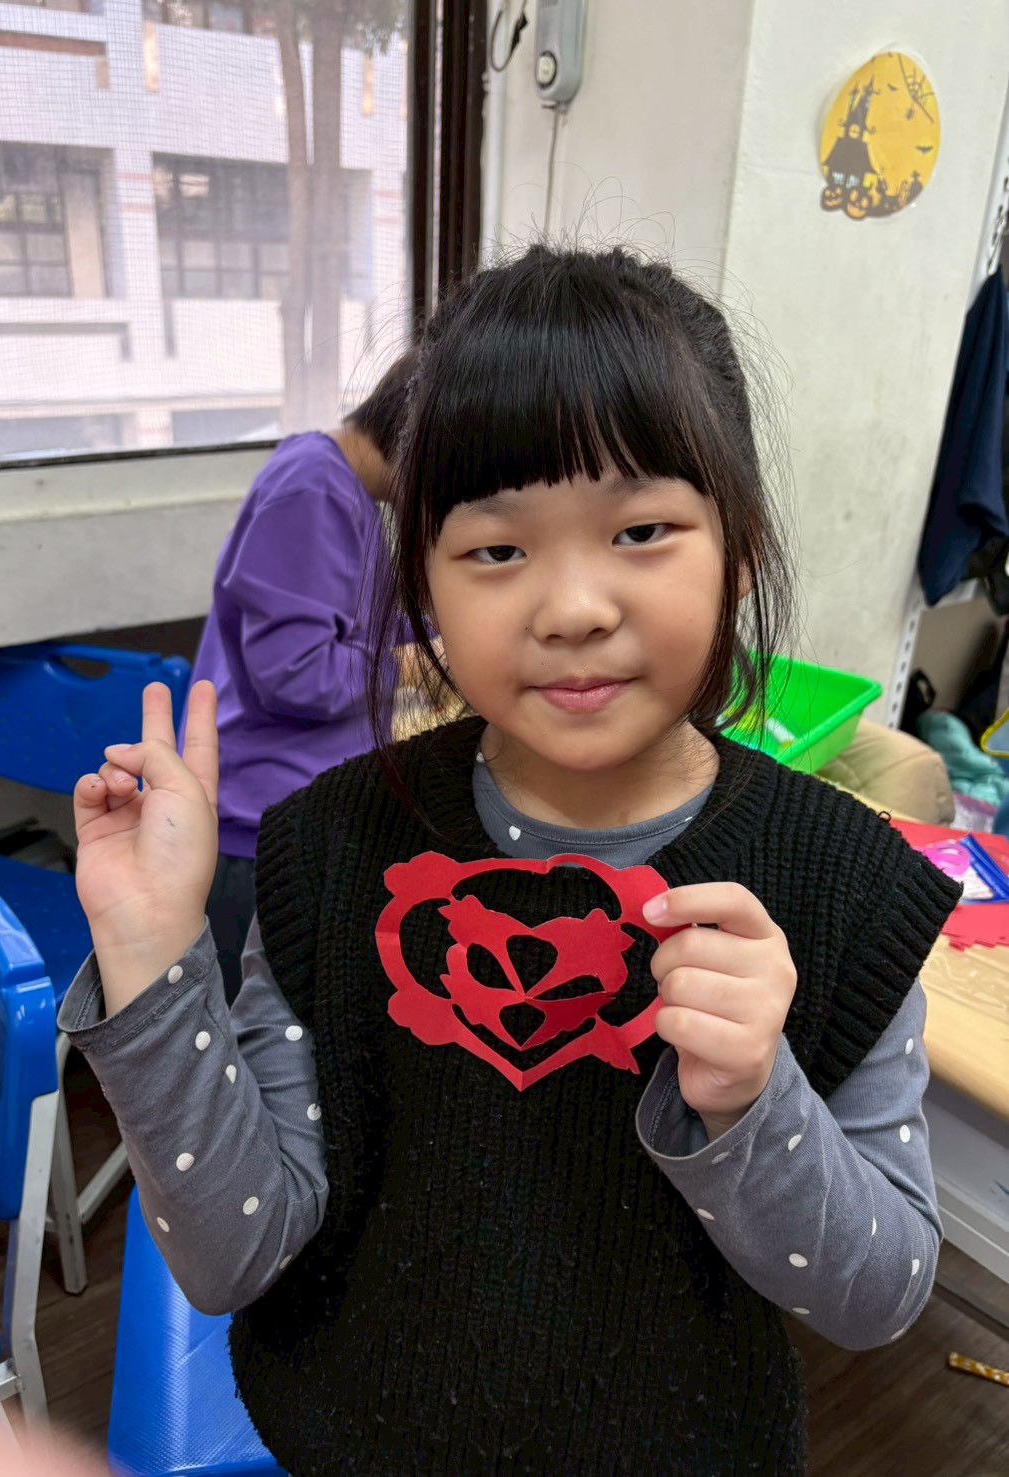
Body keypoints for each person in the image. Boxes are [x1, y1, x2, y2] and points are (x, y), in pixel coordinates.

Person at [63, 245, 960, 1474]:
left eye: (641, 529)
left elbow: (878, 1295)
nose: (571, 606)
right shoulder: (330, 846)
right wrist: (152, 953)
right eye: (496, 549)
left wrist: (756, 1100)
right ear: (422, 578)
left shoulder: (843, 882)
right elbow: (235, 1254)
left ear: (739, 549)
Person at [186, 349, 418, 1002]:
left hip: (301, 809)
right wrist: (408, 667)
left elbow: (367, 624)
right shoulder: (313, 488)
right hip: (260, 829)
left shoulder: (345, 488)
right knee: (260, 1029)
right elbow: (297, 673)